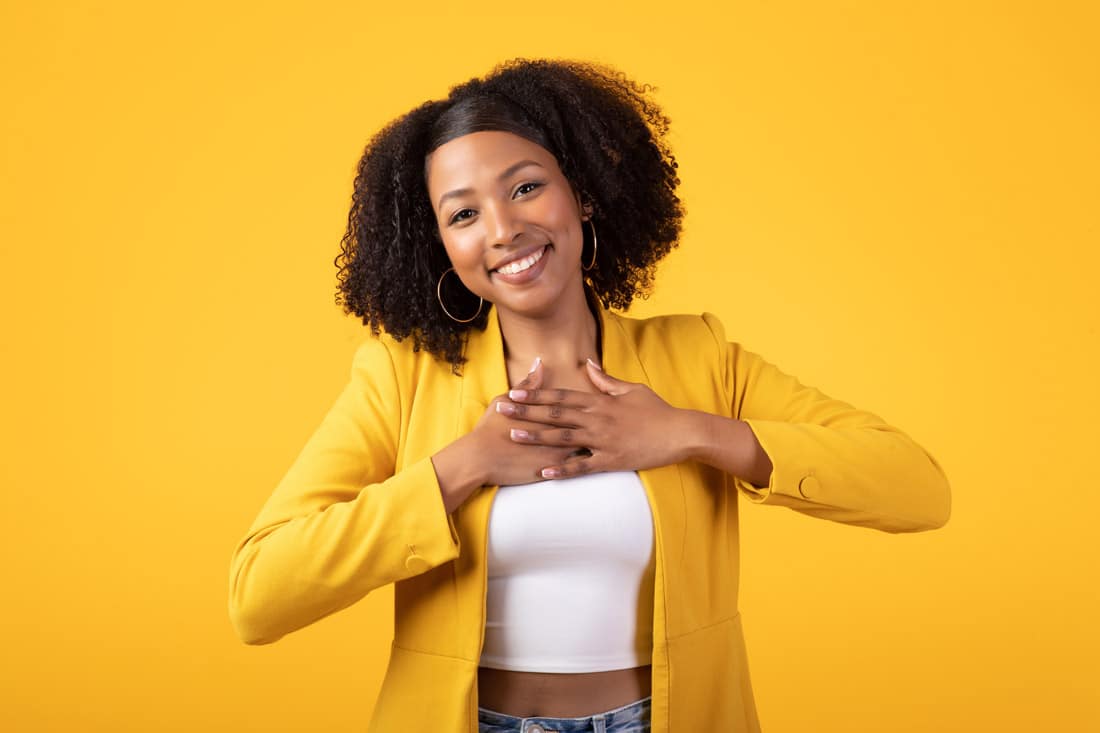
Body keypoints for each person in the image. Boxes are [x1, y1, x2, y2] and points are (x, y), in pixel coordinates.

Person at [228, 58, 951, 733]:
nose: (505, 229)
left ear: (582, 190)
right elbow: (259, 596)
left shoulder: (696, 358)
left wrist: (689, 433)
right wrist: (462, 467)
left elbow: (919, 488)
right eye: (464, 214)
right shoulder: (401, 377)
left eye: (524, 186)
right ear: (440, 245)